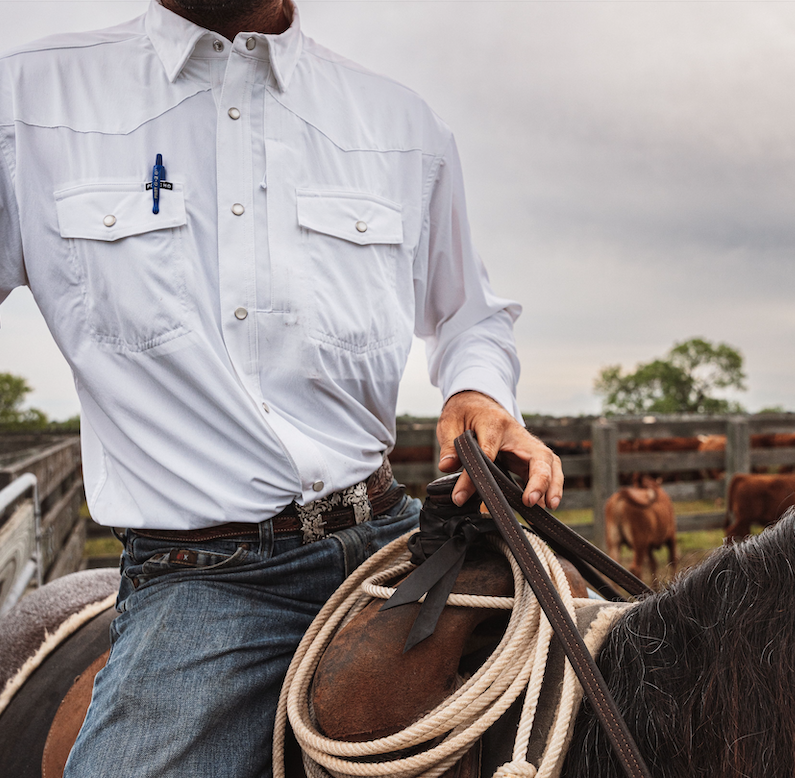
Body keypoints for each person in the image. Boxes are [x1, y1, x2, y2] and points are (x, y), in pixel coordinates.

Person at [0, 0, 564, 775]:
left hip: (396, 537)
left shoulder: (399, 124)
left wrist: (478, 394)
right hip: (207, 581)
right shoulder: (28, 101)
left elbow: (470, 314)